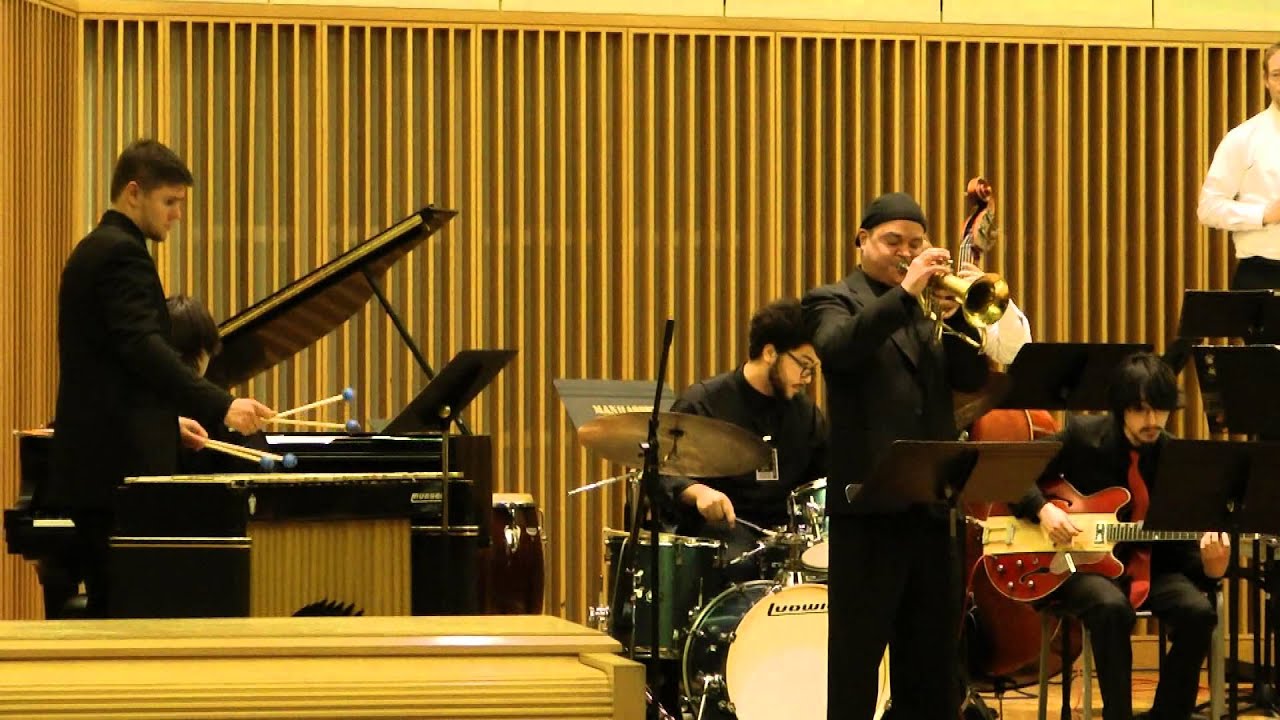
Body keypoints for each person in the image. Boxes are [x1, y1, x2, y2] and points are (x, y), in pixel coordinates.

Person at [47, 138, 275, 617]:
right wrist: (220, 404)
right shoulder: (120, 254)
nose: (176, 214)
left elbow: (108, 372)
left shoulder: (98, 249)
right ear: (134, 193)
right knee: (127, 621)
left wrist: (167, 423)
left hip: (101, 460)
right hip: (116, 471)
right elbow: (143, 348)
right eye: (169, 202)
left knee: (122, 612)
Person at [802, 191, 990, 719]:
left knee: (930, 672)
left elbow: (971, 379)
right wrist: (908, 292)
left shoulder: (926, 312)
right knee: (857, 670)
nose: (905, 253)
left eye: (915, 243)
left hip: (931, 514)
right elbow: (840, 349)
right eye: (892, 242)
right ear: (862, 241)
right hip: (867, 513)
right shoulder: (830, 300)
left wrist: (957, 320)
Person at [1013, 352, 1229, 720]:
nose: (1153, 421)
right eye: (1141, 410)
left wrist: (1212, 568)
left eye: (1160, 410)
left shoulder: (1174, 457)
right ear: (1120, 408)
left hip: (1152, 567)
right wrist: (1043, 509)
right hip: (1080, 564)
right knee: (1111, 608)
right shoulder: (1082, 437)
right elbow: (1015, 474)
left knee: (1198, 612)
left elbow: (1180, 551)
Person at [663, 298, 828, 576]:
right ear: (770, 353)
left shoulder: (805, 414)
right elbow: (663, 471)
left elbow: (823, 479)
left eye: (812, 369)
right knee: (742, 561)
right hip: (722, 532)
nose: (808, 378)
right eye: (803, 365)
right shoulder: (704, 403)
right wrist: (700, 493)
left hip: (786, 536)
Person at [1198, 40, 1280, 290]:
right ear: (1266, 80)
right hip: (1265, 272)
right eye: (1278, 75)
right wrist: (1263, 215)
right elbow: (1208, 208)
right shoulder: (1243, 138)